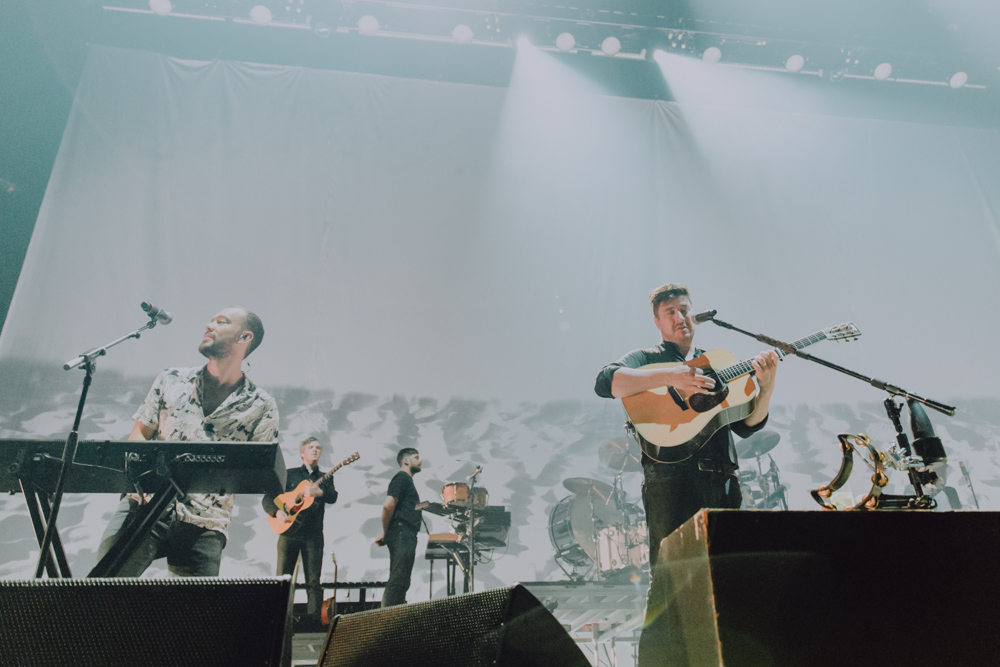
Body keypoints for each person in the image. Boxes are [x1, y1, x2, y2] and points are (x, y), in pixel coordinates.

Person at [594, 283, 778, 662]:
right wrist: (672, 377)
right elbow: (606, 382)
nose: (680, 318)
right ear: (658, 321)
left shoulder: (721, 362)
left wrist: (767, 387)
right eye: (671, 313)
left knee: (727, 578)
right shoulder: (647, 358)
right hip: (671, 482)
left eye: (685, 309)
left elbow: (747, 425)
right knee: (669, 581)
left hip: (724, 481)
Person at [94, 306, 279, 577]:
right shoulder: (171, 379)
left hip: (205, 521)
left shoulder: (261, 405)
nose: (208, 325)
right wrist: (140, 483)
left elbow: (263, 469)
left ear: (244, 338)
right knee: (100, 594)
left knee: (191, 614)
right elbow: (141, 432)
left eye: (221, 322)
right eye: (211, 320)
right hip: (146, 504)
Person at [262, 437, 338, 619]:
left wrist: (322, 492)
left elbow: (333, 496)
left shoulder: (326, 478)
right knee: (282, 580)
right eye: (311, 447)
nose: (315, 450)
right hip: (288, 534)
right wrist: (277, 513)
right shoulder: (289, 475)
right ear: (302, 453)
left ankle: (313, 623)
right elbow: (268, 498)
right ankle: (279, 620)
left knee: (314, 581)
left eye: (318, 447)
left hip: (313, 535)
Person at [375, 447, 423, 607]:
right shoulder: (402, 478)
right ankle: (387, 621)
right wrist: (385, 531)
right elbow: (388, 505)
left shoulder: (405, 480)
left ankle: (391, 619)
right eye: (416, 457)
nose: (420, 460)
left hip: (405, 533)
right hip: (402, 532)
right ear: (406, 461)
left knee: (401, 579)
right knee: (398, 579)